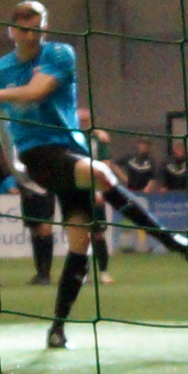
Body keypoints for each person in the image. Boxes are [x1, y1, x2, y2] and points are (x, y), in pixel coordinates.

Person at [0, 0, 188, 349]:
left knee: (79, 244)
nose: (31, 35)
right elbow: (6, 121)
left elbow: (36, 92)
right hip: (37, 153)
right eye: (24, 28)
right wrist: (16, 168)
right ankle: (173, 243)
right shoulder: (2, 68)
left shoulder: (60, 53)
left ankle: (57, 328)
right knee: (98, 173)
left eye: (37, 27)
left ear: (45, 27)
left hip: (70, 151)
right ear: (12, 31)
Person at [79, 109, 113, 284]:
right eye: (80, 120)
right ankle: (82, 272)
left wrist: (100, 190)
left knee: (98, 234)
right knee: (80, 234)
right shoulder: (69, 136)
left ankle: (104, 271)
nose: (83, 122)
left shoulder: (98, 139)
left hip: (94, 190)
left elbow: (105, 165)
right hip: (76, 190)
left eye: (86, 120)